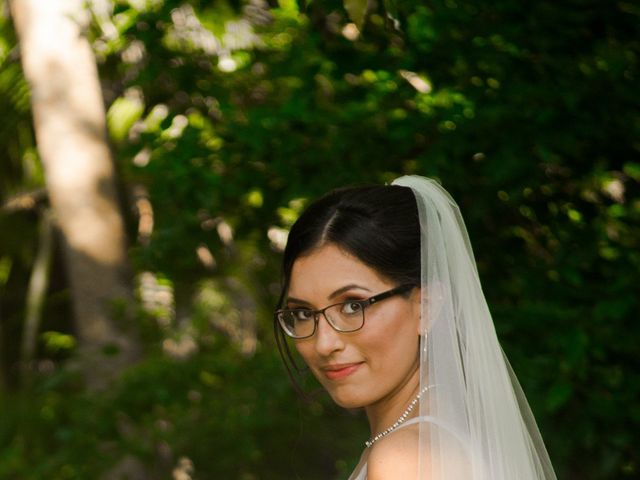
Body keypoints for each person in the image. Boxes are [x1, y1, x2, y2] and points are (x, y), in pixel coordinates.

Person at [274, 175, 557, 480]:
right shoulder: (445, 438)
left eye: (352, 306)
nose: (323, 344)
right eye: (302, 313)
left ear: (427, 305)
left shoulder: (403, 459)